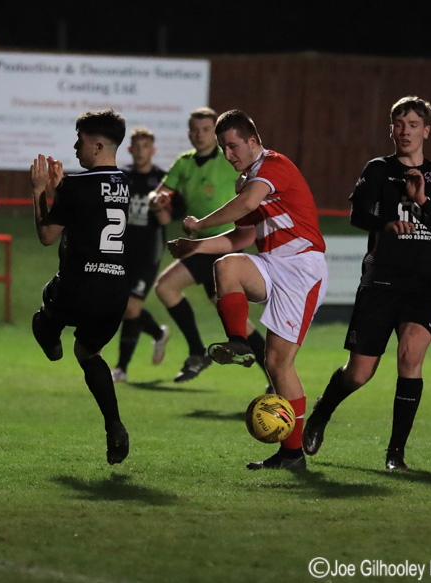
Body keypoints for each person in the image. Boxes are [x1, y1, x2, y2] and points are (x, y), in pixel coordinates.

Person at [303, 96, 431, 470]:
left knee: (411, 355)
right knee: (359, 373)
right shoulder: (379, 169)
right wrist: (385, 224)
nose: (405, 130)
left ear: (426, 130)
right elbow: (357, 214)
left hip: (425, 284)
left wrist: (423, 201)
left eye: (413, 124)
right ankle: (321, 413)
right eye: (399, 123)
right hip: (381, 282)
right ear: (390, 129)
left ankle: (396, 454)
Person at [168, 109, 328, 470]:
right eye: (223, 148)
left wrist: (198, 225)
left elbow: (247, 204)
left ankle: (292, 454)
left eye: (233, 145)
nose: (228, 154)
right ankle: (238, 341)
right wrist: (195, 247)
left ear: (254, 140)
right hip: (273, 263)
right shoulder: (248, 179)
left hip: (301, 267)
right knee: (226, 267)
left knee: (277, 363)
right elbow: (242, 236)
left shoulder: (274, 165)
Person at [30, 109, 132, 465]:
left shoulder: (77, 185)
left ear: (99, 144)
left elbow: (46, 236)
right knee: (88, 353)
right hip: (115, 292)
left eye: (81, 141)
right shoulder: (128, 185)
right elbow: (96, 209)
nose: (75, 147)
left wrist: (42, 192)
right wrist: (62, 190)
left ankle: (51, 339)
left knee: (44, 313)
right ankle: (115, 425)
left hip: (79, 286)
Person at [150, 107, 269, 384]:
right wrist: (158, 199)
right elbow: (162, 192)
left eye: (205, 130)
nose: (199, 135)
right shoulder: (185, 162)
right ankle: (272, 372)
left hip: (224, 243)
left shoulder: (228, 158)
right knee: (235, 319)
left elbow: (251, 188)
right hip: (203, 244)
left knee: (166, 287)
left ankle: (196, 352)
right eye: (194, 130)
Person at [111, 126, 171, 383]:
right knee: (124, 308)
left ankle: (121, 369)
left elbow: (169, 218)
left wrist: (157, 205)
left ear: (153, 150)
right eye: (136, 146)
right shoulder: (121, 176)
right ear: (129, 150)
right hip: (122, 252)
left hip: (149, 253)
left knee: (131, 307)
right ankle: (158, 333)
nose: (141, 151)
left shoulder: (162, 180)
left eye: (146, 146)